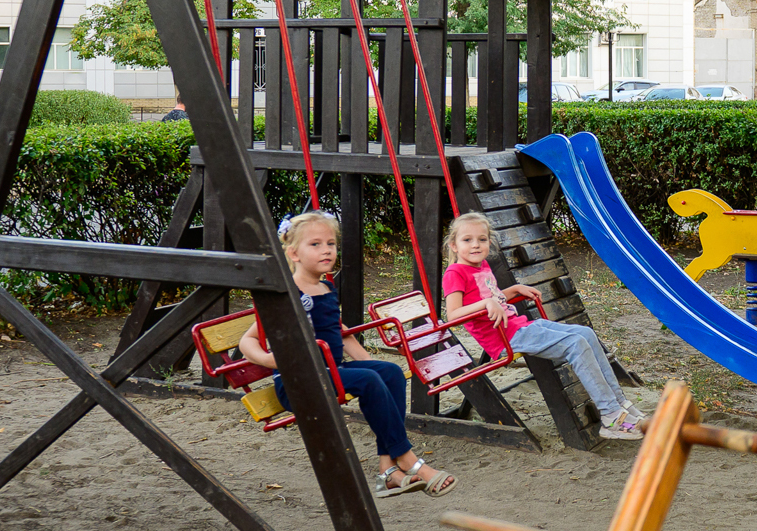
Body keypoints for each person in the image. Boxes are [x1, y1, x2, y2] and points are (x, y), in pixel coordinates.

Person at [238, 211, 456, 498]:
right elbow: (248, 340)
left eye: (331, 243)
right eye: (315, 244)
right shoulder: (286, 295)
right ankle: (408, 460)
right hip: (299, 381)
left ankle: (387, 470)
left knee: (389, 373)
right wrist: (269, 360)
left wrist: (370, 363)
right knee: (369, 380)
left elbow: (340, 332)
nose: (326, 250)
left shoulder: (325, 287)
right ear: (293, 253)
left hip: (331, 371)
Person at [441, 211, 646, 440]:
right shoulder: (455, 273)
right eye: (467, 240)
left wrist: (513, 290)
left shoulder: (482, 267)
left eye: (482, 239)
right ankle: (610, 417)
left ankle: (619, 403)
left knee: (586, 333)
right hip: (505, 338)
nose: (476, 245)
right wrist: (487, 303)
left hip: (520, 327)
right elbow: (453, 315)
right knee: (576, 344)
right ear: (454, 245)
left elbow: (491, 297)